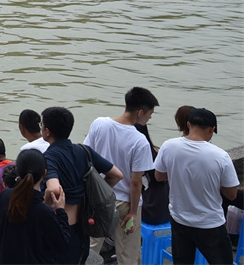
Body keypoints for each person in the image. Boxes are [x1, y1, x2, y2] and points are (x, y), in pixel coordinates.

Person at [83, 86, 159, 265]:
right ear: (140, 112)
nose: (149, 118)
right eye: (150, 114)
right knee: (127, 254)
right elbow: (135, 182)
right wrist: (133, 212)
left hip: (99, 198)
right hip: (125, 203)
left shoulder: (99, 124)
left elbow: (87, 157)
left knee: (90, 248)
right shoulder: (139, 141)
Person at [153, 108, 239, 264]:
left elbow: (159, 176)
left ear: (188, 125)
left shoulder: (169, 146)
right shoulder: (220, 156)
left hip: (180, 220)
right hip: (210, 224)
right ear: (211, 130)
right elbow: (232, 195)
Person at [41, 106, 122, 265]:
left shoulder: (49, 157)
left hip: (60, 229)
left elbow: (53, 189)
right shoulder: (84, 151)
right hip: (83, 227)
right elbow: (117, 175)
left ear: (47, 131)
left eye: (42, 125)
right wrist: (92, 195)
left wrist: (43, 207)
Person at [0, 148, 71, 263]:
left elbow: (0, 227)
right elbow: (62, 245)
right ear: (45, 174)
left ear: (17, 171)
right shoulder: (44, 211)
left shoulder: (5, 196)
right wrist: (60, 211)